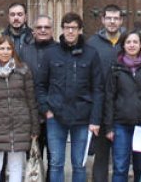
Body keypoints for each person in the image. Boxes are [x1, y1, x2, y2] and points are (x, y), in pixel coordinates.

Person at [36, 13, 105, 182]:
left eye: (74, 28)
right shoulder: (51, 53)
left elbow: (98, 89)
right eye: (67, 28)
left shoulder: (91, 54)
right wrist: (46, 110)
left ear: (80, 30)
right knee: (56, 163)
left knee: (79, 164)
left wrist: (95, 119)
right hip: (56, 117)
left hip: (82, 117)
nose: (70, 31)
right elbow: (40, 85)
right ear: (62, 29)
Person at [0, 35, 39, 182]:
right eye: (1, 48)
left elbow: (31, 100)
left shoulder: (23, 70)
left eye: (8, 48)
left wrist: (34, 128)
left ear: (13, 51)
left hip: (19, 125)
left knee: (16, 166)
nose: (5, 52)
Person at [104, 30, 141, 182]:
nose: (132, 45)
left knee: (140, 168)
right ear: (123, 45)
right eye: (128, 42)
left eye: (135, 42)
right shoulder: (115, 68)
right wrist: (109, 127)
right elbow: (109, 98)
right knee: (120, 167)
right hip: (120, 124)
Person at [86, 5, 125, 182]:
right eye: (109, 18)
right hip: (100, 108)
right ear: (102, 19)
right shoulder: (92, 44)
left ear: (121, 20)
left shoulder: (128, 41)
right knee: (101, 158)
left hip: (123, 108)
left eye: (116, 18)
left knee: (122, 158)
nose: (112, 21)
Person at [20, 15, 56, 160]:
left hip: (54, 113)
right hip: (31, 112)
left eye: (46, 27)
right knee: (33, 158)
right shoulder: (24, 51)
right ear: (33, 30)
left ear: (52, 30)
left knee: (54, 158)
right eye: (39, 27)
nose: (43, 30)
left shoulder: (60, 50)